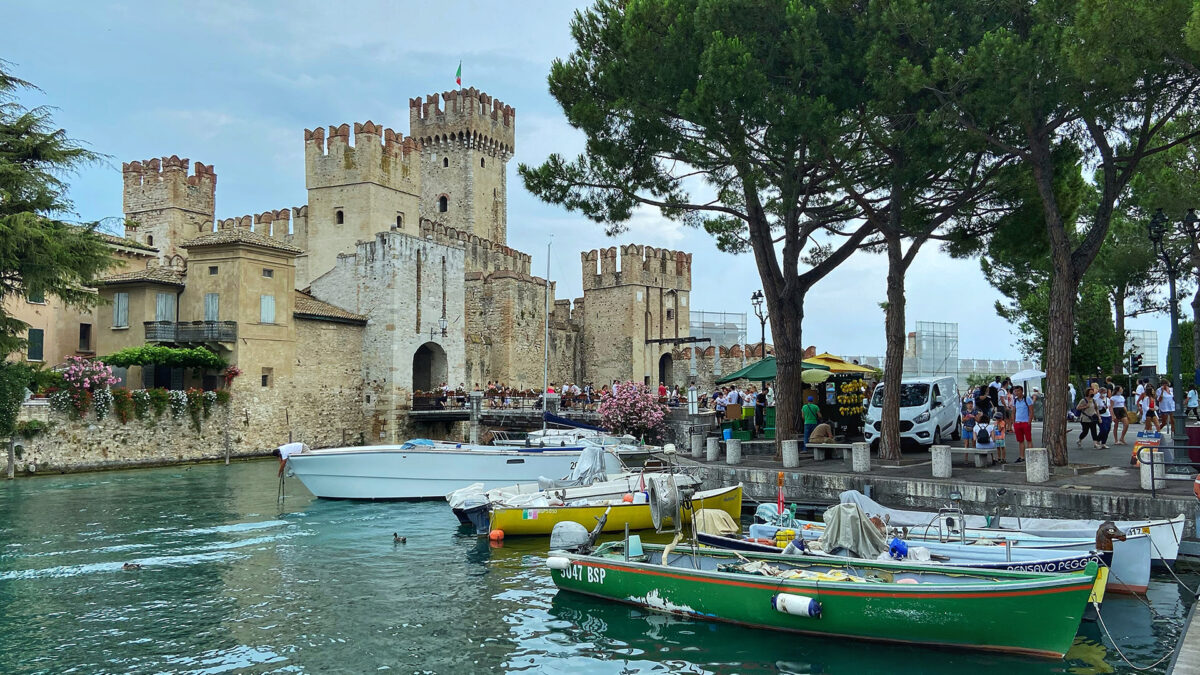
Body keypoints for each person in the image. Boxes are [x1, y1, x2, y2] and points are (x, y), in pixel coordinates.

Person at [1011, 385, 1037, 462]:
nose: (1017, 393)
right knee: (1020, 440)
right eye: (1015, 391)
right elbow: (1013, 412)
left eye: (1018, 391)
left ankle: (1030, 456)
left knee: (1028, 439)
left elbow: (1031, 411)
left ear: (1021, 391)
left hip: (1025, 422)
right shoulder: (1015, 400)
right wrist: (1013, 423)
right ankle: (1021, 456)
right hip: (1017, 422)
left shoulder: (1027, 399)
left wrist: (1029, 421)